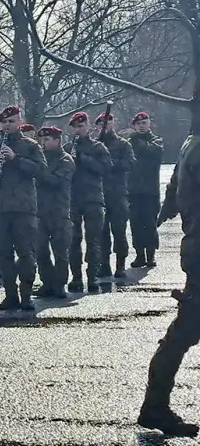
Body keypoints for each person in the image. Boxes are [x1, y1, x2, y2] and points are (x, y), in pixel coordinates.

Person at [137, 133, 200, 437]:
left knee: (180, 335)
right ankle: (155, 407)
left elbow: (174, 192)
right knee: (181, 334)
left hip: (195, 247)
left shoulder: (190, 143)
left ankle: (155, 406)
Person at [0, 106, 46, 310]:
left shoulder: (30, 146)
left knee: (26, 253)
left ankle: (26, 295)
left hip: (23, 208)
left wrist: (16, 160)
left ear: (19, 122)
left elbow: (41, 171)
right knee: (3, 254)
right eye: (4, 122)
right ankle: (10, 295)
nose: (8, 125)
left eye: (12, 121)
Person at [66, 111, 111, 293]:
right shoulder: (68, 148)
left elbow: (106, 169)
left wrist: (84, 159)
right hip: (73, 199)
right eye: (75, 127)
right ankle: (76, 278)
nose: (78, 130)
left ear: (88, 126)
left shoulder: (98, 147)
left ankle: (93, 277)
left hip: (93, 199)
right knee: (73, 240)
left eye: (81, 126)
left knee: (93, 240)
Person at [34, 126, 74, 299]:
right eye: (41, 140)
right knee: (40, 249)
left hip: (58, 211)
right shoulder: (39, 160)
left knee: (60, 250)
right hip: (39, 210)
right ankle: (47, 282)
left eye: (47, 140)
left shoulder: (66, 159)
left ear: (58, 141)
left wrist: (38, 170)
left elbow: (56, 181)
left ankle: (60, 284)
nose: (43, 143)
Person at [96, 111, 135, 277]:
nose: (106, 125)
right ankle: (104, 264)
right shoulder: (95, 145)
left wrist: (111, 163)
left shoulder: (123, 144)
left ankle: (120, 265)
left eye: (109, 121)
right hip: (99, 194)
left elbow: (130, 163)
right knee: (101, 233)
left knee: (119, 231)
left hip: (118, 193)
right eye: (102, 123)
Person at [128, 112, 163, 268]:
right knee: (135, 224)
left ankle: (150, 255)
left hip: (150, 191)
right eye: (138, 123)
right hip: (133, 191)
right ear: (134, 126)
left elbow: (152, 152)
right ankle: (139, 255)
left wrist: (136, 139)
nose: (141, 126)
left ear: (149, 124)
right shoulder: (129, 143)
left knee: (149, 224)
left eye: (144, 122)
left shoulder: (157, 141)